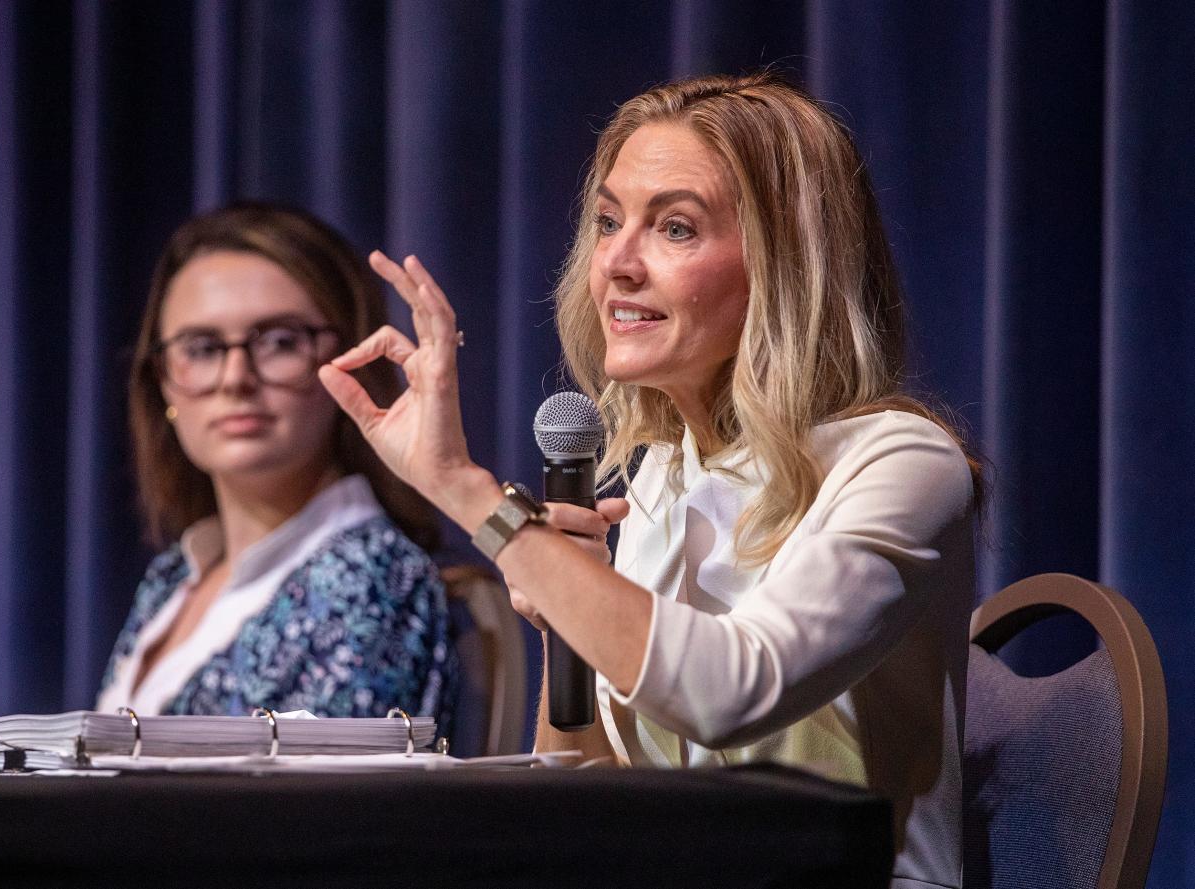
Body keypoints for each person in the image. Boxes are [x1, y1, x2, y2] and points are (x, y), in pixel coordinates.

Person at [320, 73, 979, 889]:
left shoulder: (900, 463)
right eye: (606, 222)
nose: (617, 264)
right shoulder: (660, 476)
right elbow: (586, 790)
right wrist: (570, 612)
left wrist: (464, 489)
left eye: (673, 227)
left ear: (788, 264)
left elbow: (736, 688)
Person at [97, 201, 456, 732]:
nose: (236, 378)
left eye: (280, 342)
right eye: (201, 348)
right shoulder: (172, 578)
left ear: (351, 357)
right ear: (163, 384)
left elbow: (310, 810)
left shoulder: (373, 580)